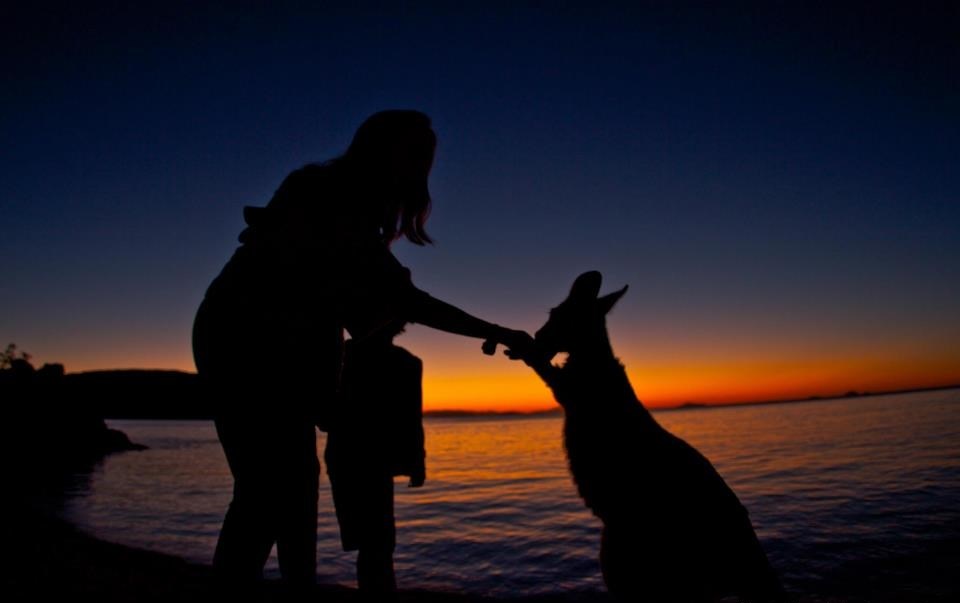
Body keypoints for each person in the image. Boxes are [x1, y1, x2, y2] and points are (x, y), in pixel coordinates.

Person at [192, 110, 531, 597]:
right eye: (412, 156)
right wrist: (494, 330)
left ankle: (296, 588)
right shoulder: (327, 195)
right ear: (380, 150)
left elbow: (351, 303)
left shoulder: (346, 209)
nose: (418, 171)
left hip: (266, 342)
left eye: (424, 160)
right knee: (268, 491)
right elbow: (391, 300)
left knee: (290, 484)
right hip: (244, 340)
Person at [324, 319, 424, 597]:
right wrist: (417, 462)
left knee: (375, 541)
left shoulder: (405, 363)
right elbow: (412, 418)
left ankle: (377, 592)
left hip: (359, 458)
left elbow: (412, 417)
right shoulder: (347, 356)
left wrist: (417, 462)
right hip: (354, 457)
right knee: (376, 541)